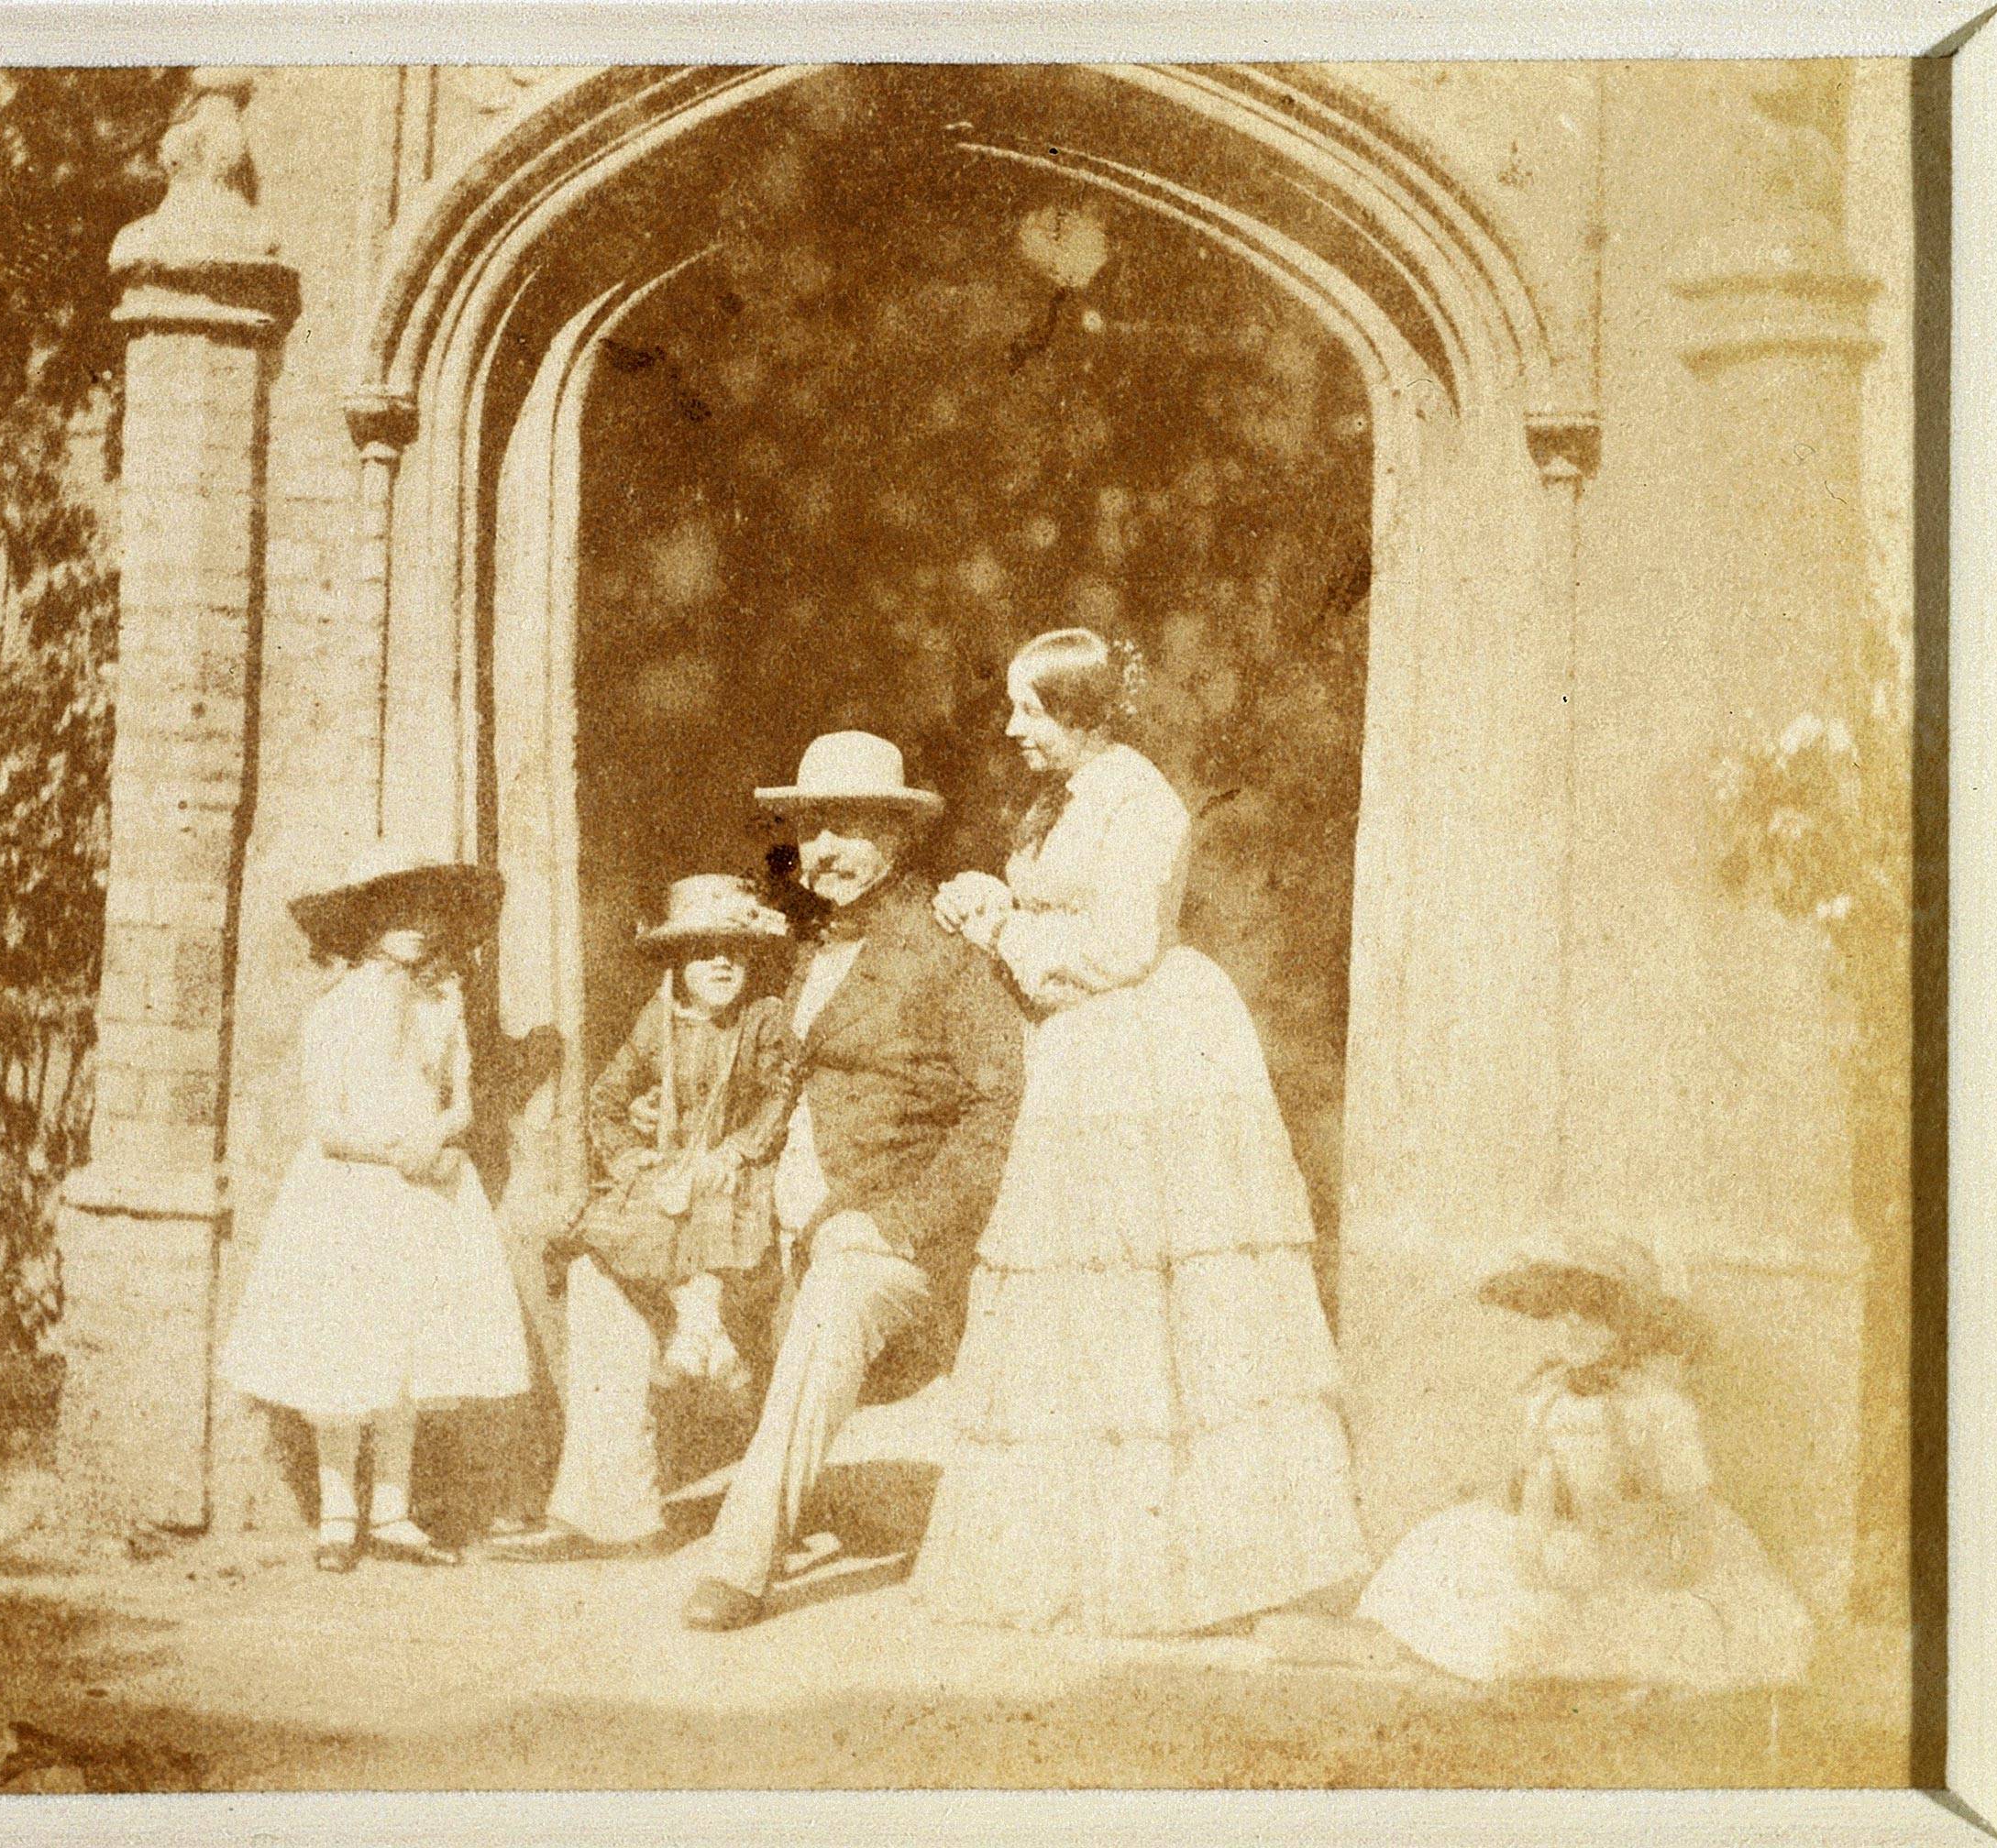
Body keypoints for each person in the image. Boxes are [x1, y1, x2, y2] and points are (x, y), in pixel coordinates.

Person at [915, 627, 1371, 1635]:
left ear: (1082, 713)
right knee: (1084, 1290)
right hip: (1085, 1050)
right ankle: (1088, 1554)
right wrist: (996, 895)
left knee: (1156, 1286)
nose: (1013, 728)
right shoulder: (1064, 799)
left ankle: (1197, 1563)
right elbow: (1062, 905)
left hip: (1145, 1048)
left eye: (1031, 709)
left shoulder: (1144, 801)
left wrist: (1002, 929)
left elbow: (1119, 948)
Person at [680, 732, 1026, 1631]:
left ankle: (741, 1561)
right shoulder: (807, 943)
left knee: (835, 1294)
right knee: (614, 1260)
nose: (824, 849)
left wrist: (897, 1221)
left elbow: (1000, 1107)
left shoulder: (946, 947)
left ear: (899, 836)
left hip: (895, 1240)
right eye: (811, 828)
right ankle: (607, 1504)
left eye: (849, 827)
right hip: (782, 1222)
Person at [217, 843, 533, 1572]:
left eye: (426, 910)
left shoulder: (443, 1002)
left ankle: (393, 1511)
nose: (416, 924)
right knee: (348, 1345)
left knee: (411, 1347)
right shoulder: (336, 1009)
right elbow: (328, 1125)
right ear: (366, 923)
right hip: (352, 1190)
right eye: (397, 911)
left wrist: (437, 1137)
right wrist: (394, 1154)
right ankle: (339, 1514)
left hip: (428, 1189)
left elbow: (461, 1102)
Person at [1356, 1230, 1815, 1690]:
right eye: (1562, 1313)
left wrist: (1669, 1571)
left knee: (1665, 1631)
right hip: (1566, 1539)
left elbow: (1691, 1510)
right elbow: (1539, 1489)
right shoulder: (1547, 1400)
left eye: (1592, 1316)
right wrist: (1532, 1559)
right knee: (1495, 1612)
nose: (1572, 1328)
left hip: (1645, 1547)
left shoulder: (1658, 1409)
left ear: (1628, 1326)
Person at [495, 875, 798, 1559]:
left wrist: (736, 1149)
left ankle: (701, 1328)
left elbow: (781, 1094)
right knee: (595, 1279)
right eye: (702, 951)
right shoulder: (656, 1023)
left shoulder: (764, 1019)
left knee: (696, 1242)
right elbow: (606, 1101)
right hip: (667, 1194)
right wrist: (633, 1157)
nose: (720, 963)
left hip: (736, 1189)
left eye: (734, 951)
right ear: (677, 963)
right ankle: (611, 1511)